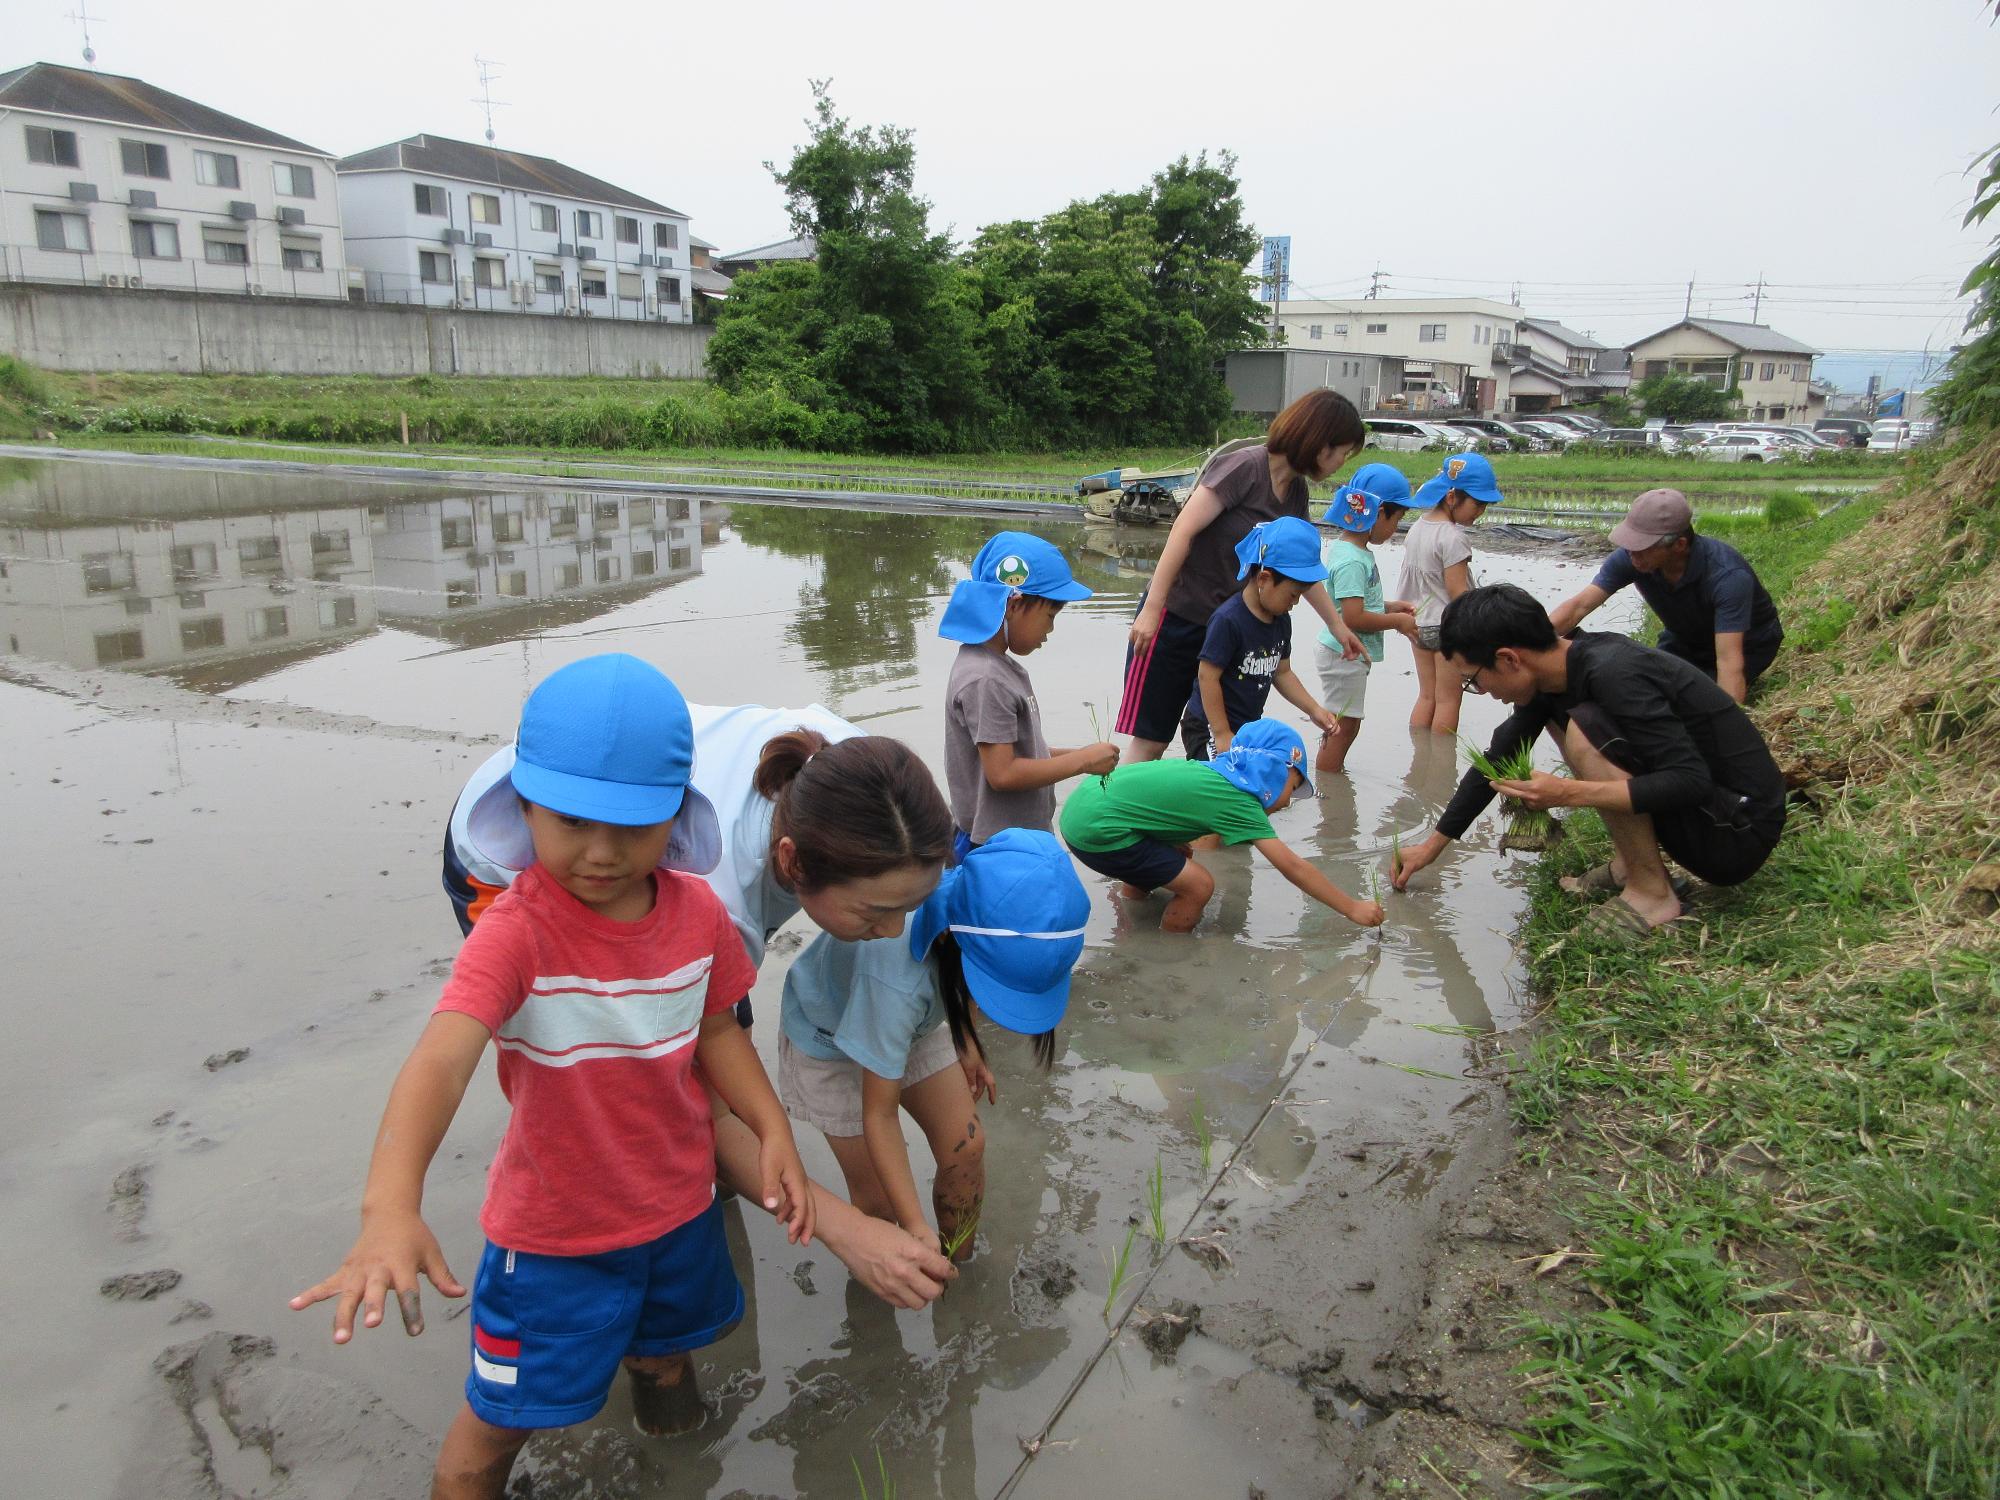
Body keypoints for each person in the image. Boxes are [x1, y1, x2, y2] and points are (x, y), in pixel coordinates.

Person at [293, 655, 813, 1499]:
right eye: (571, 822)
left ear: (676, 815)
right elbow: (440, 1060)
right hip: (553, 1242)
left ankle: (676, 1465)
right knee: (496, 1427)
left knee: (666, 1356)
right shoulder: (514, 935)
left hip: (679, 1212)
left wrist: (774, 1128)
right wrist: (389, 1206)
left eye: (634, 829)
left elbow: (718, 1030)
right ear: (523, 806)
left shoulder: (698, 914)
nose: (602, 854)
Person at [442, 705, 959, 1310]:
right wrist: (847, 1231)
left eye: (906, 906)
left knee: (706, 1099)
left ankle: (712, 1197)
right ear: (792, 863)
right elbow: (706, 1098)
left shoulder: (881, 787)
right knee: (642, 1088)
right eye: (873, 914)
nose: (895, 930)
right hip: (524, 832)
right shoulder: (713, 899)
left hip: (632, 801)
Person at [1391, 585, 1787, 939]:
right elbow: (1497, 759)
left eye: (1474, 679)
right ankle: (1629, 866)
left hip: (1736, 832)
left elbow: (1690, 781)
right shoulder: (1559, 669)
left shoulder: (1615, 673)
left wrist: (1569, 793)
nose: (1481, 690)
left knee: (1584, 731)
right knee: (1574, 724)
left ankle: (1652, 894)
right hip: (1716, 813)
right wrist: (1432, 845)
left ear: (1509, 659)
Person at [779, 829, 1088, 1262]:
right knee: (879, 1206)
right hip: (829, 1040)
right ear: (952, 937)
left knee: (967, 1145)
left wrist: (966, 1043)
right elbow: (879, 1114)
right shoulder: (895, 980)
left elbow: (958, 980)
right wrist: (914, 1225)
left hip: (913, 1021)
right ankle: (897, 1275)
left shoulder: (962, 910)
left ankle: (958, 1264)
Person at [1119, 390, 1367, 762]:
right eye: (1342, 452)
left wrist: (1337, 626)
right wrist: (1153, 608)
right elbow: (1181, 532)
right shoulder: (1243, 468)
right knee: (1151, 740)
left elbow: (1297, 567)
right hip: (1177, 619)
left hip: (1230, 632)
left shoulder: (1295, 491)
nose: (1341, 463)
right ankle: (1114, 815)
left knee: (1220, 739)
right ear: (1319, 443)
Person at [1060, 717, 1386, 933]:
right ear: (1273, 771)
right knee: (1200, 885)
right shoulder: (1239, 799)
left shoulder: (1213, 774)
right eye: (1292, 786)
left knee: (1179, 857)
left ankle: (1132, 911)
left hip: (1085, 807)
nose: (1287, 801)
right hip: (1099, 831)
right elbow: (1292, 866)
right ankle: (1170, 953)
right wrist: (1352, 907)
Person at [938, 532, 1118, 858]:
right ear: (1014, 604)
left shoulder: (995, 667)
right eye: (1050, 616)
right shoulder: (985, 679)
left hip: (1014, 838)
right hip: (996, 849)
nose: (1049, 630)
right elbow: (1003, 773)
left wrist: (1079, 754)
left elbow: (1023, 750)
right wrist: (1083, 762)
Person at [1547, 487, 1783, 703]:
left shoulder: (1727, 577)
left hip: (1747, 644)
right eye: (1630, 545)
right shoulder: (1632, 558)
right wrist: (1527, 638)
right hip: (1685, 638)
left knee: (1693, 701)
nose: (1632, 555)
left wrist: (1729, 724)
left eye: (1642, 547)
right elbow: (1579, 606)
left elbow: (1729, 661)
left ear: (1679, 545)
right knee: (1638, 687)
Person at [1181, 516, 1341, 760]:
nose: (1295, 603)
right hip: (1208, 727)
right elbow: (1207, 677)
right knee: (1221, 788)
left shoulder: (1281, 620)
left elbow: (1282, 673)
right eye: (1293, 595)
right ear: (1264, 579)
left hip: (1246, 728)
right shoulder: (1229, 620)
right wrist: (1222, 732)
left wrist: (1314, 709)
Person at [1314, 464, 1418, 773]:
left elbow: (1359, 603)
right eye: (1397, 519)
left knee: (1347, 724)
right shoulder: (1351, 560)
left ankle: (1331, 773)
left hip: (1345, 653)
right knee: (1342, 727)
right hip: (1341, 653)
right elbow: (1354, 616)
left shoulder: (1354, 552)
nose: (1396, 528)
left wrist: (1390, 607)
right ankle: (1329, 782)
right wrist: (1397, 623)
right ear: (1379, 512)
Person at [1401, 452, 1504, 735]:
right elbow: (1459, 594)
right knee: (1448, 700)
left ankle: (1419, 760)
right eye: (1478, 503)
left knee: (1426, 696)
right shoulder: (1453, 538)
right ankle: (1441, 770)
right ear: (1451, 497)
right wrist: (1478, 636)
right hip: (1447, 629)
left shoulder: (1417, 528)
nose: (1480, 511)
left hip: (1417, 623)